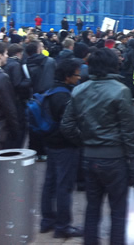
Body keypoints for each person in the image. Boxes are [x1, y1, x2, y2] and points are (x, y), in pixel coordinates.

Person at [61, 48, 134, 245]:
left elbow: (67, 125)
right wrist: (133, 163)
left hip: (89, 156)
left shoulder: (79, 89)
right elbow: (129, 132)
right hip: (115, 158)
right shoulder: (121, 91)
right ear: (113, 65)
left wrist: (85, 141)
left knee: (92, 207)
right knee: (118, 210)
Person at [40, 58, 83, 239]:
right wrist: (79, 140)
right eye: (76, 75)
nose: (79, 78)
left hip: (50, 142)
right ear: (67, 76)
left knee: (49, 183)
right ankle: (63, 226)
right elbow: (68, 125)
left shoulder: (51, 91)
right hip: (64, 145)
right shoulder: (64, 96)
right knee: (64, 186)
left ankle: (47, 221)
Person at [0, 42, 19, 151]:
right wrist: (15, 129)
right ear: (0, 55)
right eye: (6, 53)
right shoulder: (1, 78)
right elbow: (9, 106)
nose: (7, 56)